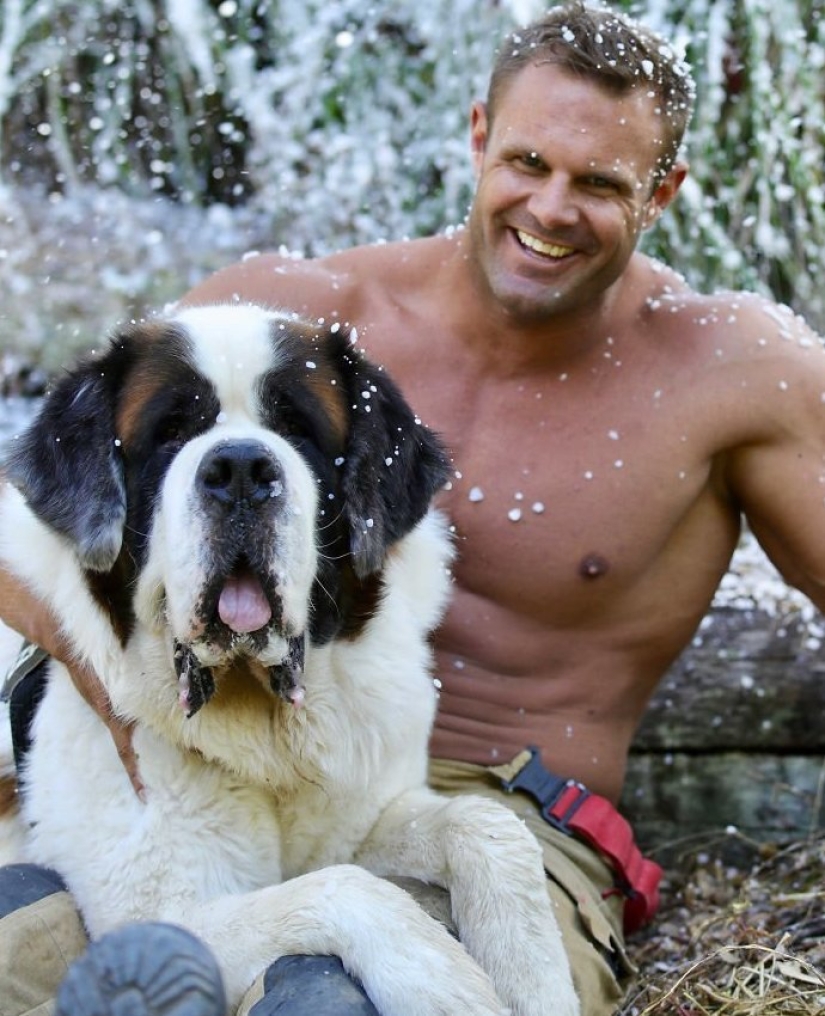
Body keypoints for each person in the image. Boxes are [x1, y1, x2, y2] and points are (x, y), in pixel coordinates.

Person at [2, 2, 825, 1014]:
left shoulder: (734, 374)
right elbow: (39, 500)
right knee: (38, 932)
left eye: (601, 183)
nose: (552, 207)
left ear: (665, 190)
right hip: (211, 766)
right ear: (479, 134)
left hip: (502, 809)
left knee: (336, 994)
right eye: (528, 161)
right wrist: (105, 689)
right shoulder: (284, 325)